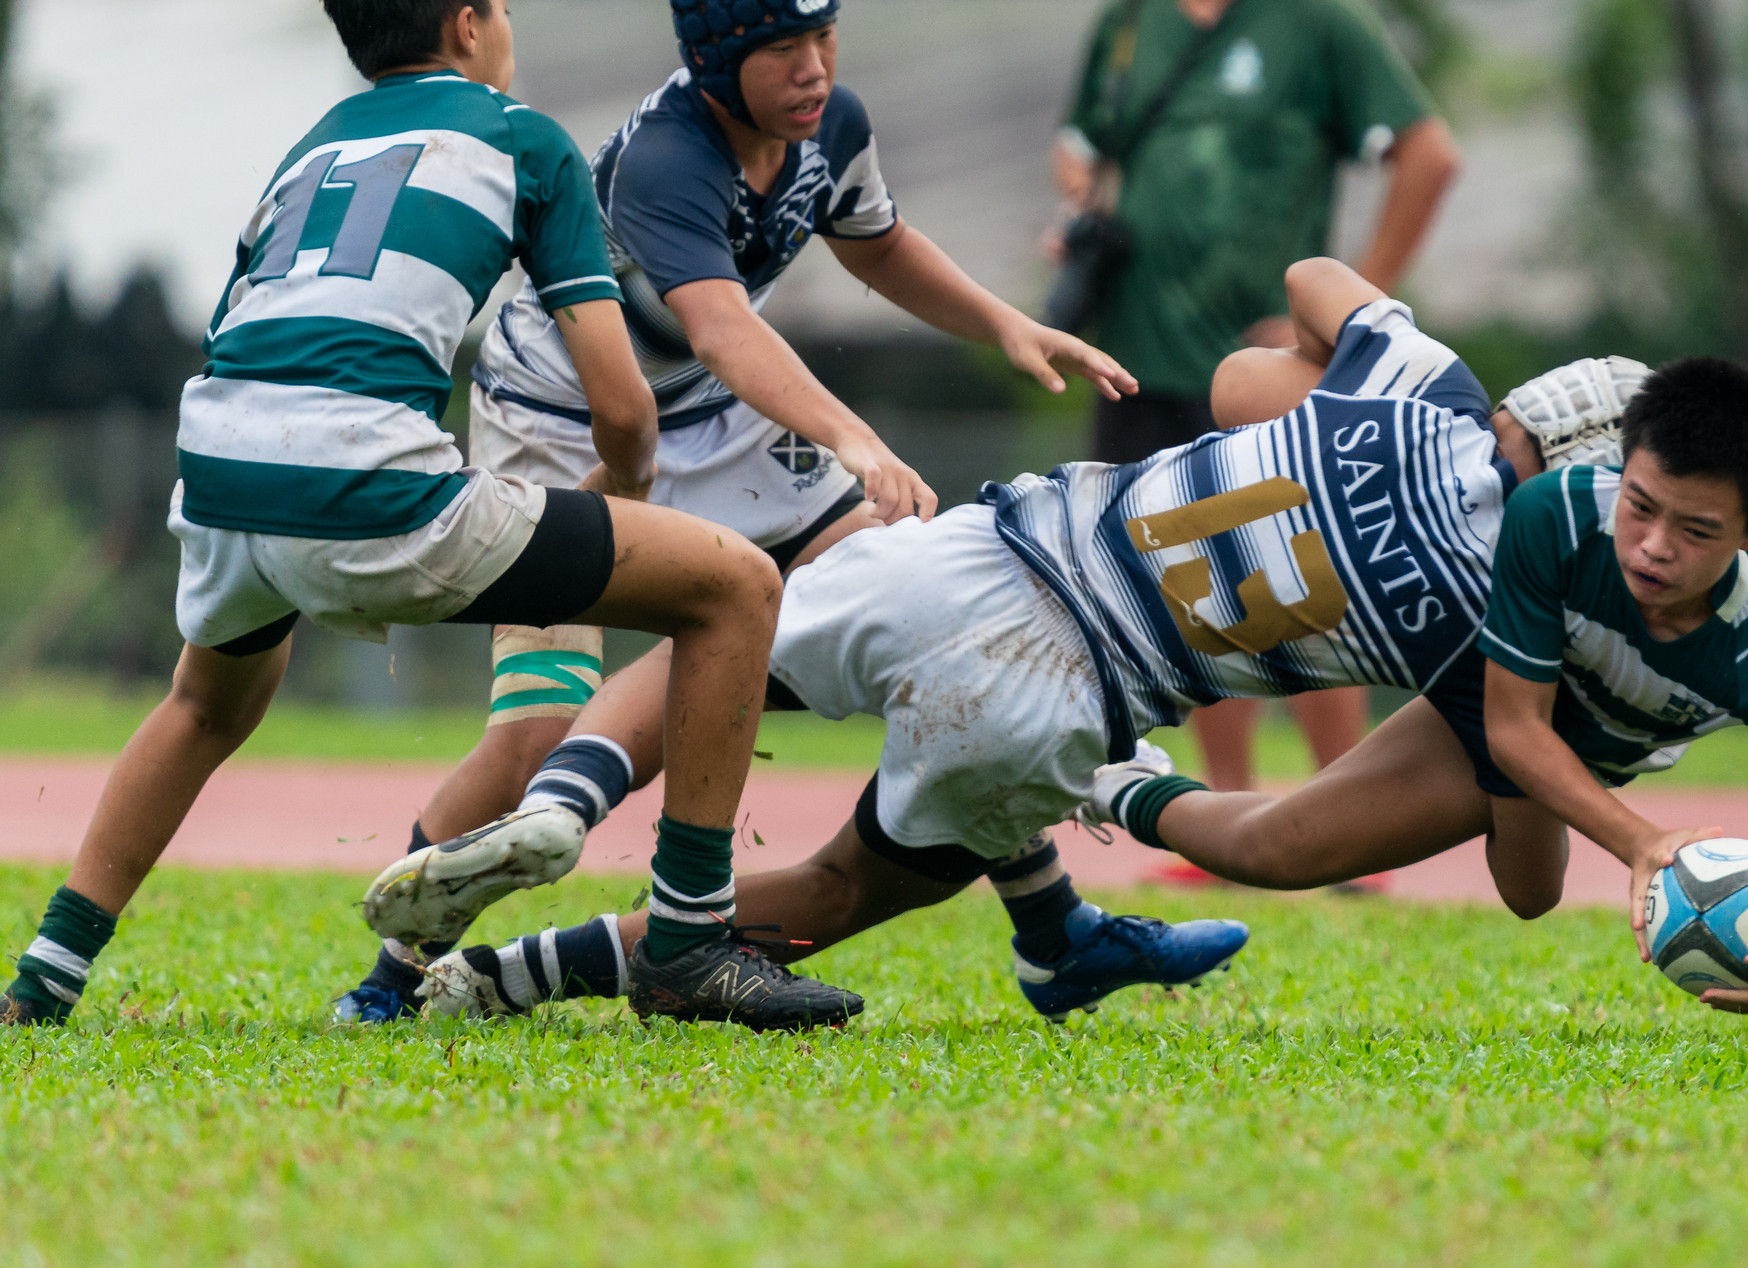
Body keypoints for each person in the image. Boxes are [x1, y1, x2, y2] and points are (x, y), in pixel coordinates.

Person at [386, 258, 1631, 1025]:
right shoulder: (1503, 611)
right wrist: (1564, 749)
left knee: (719, 643)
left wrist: (1306, 381)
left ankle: (568, 794)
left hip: (981, 554)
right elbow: (1525, 887)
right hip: (1059, 701)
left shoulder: (1425, 392)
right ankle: (508, 980)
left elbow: (1307, 283)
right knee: (838, 888)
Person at [0, 0, 862, 1033]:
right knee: (736, 585)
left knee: (202, 707)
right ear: (467, 23)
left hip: (223, 469)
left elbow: (247, 321)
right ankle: (687, 948)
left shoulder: (314, 142)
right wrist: (610, 507)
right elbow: (624, 410)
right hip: (369, 485)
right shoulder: (524, 138)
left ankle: (43, 980)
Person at [333, 0, 1136, 1023]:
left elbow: (876, 243)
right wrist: (855, 438)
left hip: (718, 418)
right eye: (783, 50)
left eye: (824, 38)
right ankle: (390, 980)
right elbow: (719, 329)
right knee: (535, 737)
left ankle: (1052, 923)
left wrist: (1007, 324)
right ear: (714, 58)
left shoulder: (829, 124)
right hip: (564, 424)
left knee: (924, 595)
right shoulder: (667, 158)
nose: (814, 69)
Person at [1088, 355, 1748, 1014]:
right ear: (1621, 467)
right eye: (1638, 504)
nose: (1650, 545)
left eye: (1696, 530)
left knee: (1530, 895)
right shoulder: (1555, 513)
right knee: (1273, 851)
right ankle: (1113, 779)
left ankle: (1120, 781)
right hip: (1503, 699)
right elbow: (1514, 730)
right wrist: (1642, 842)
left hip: (1566, 742)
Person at [1051, 0, 1464, 856]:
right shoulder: (1128, 21)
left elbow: (1429, 153)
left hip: (1261, 368)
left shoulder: (1317, 24)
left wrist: (1355, 320)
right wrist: (1085, 207)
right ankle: (1218, 819)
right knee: (1178, 580)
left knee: (1309, 575)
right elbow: (1080, 140)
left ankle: (1350, 826)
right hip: (1134, 353)